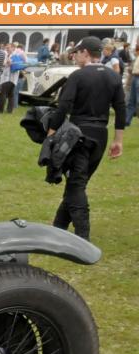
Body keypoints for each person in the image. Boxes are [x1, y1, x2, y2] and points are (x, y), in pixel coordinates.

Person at [43, 36, 125, 240]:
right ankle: (58, 226)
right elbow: (121, 109)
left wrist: (51, 133)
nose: (75, 55)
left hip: (78, 134)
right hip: (101, 134)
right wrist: (118, 140)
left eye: (77, 52)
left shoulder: (78, 76)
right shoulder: (113, 77)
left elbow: (63, 105)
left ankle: (82, 235)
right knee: (76, 183)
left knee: (76, 185)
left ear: (86, 53)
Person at [0, 43, 16, 114]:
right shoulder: (6, 55)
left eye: (9, 48)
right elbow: (4, 64)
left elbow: (10, 64)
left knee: (4, 93)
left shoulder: (15, 56)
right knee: (10, 94)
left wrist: (7, 63)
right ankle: (9, 110)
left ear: (13, 48)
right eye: (6, 48)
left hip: (10, 77)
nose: (7, 49)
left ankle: (0, 109)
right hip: (6, 77)